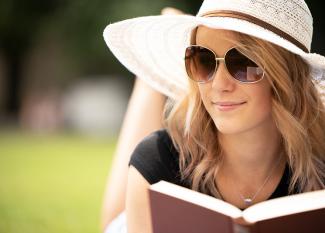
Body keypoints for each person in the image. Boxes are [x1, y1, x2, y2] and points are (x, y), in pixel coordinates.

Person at [103, 0, 325, 232]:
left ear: (285, 77)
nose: (219, 84)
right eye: (203, 60)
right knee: (115, 221)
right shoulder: (157, 161)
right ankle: (148, 86)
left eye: (242, 62)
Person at [100, 7, 185, 233]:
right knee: (118, 220)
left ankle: (157, 67)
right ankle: (154, 71)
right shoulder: (154, 152)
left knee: (115, 219)